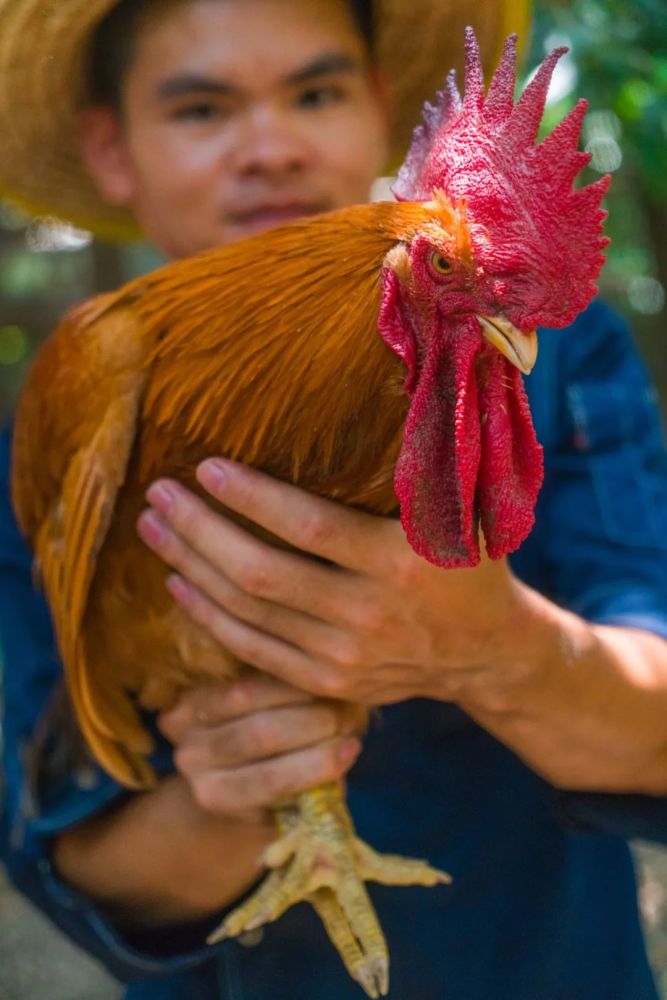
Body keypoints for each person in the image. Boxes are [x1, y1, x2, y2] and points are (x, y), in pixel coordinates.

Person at [1, 1, 666, 998]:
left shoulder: (552, 364)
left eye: (314, 92)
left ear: (381, 107)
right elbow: (52, 839)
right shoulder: (92, 381)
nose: (269, 148)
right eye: (201, 109)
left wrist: (497, 649)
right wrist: (241, 784)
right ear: (113, 148)